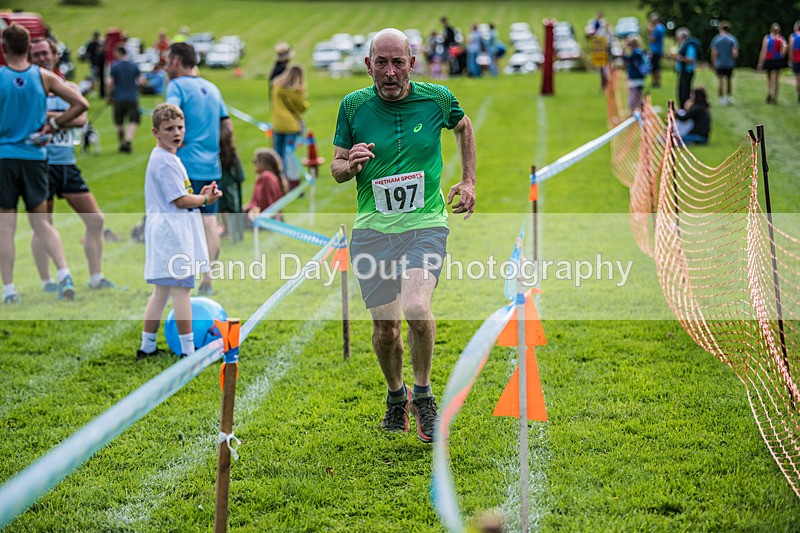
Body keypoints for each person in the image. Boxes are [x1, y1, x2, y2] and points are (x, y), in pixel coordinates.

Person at [331, 28, 476, 443]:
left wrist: (468, 181)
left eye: (398, 63)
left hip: (425, 226)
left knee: (415, 307)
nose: (390, 72)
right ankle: (397, 397)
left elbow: (464, 127)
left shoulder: (437, 99)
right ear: (368, 65)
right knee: (386, 330)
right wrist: (350, 164)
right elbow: (336, 168)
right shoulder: (353, 106)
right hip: (373, 232)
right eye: (382, 62)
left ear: (412, 63)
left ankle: (425, 395)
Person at [0, 24, 88, 304]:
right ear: (27, 49)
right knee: (42, 223)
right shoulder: (44, 77)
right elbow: (80, 104)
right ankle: (64, 274)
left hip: (5, 158)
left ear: (4, 48)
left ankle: (10, 290)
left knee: (6, 227)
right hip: (35, 158)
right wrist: (53, 123)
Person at [29, 38, 115, 292]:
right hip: (40, 164)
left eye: (45, 53)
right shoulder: (31, 88)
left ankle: (96, 277)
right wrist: (65, 115)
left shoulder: (69, 86)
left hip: (66, 164)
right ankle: (47, 281)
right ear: (30, 59)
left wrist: (50, 119)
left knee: (96, 220)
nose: (42, 58)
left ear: (55, 55)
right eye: (36, 55)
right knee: (43, 225)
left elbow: (81, 119)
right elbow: (32, 118)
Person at [138, 103, 222, 360]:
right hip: (171, 235)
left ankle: (147, 347)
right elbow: (180, 200)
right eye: (169, 128)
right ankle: (188, 351)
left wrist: (200, 195)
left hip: (168, 233)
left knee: (162, 291)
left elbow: (182, 195)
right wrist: (205, 200)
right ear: (155, 132)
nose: (176, 133)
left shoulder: (168, 158)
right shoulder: (165, 161)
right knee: (181, 290)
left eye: (180, 127)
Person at [165, 42, 233, 296]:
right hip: (211, 165)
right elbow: (227, 126)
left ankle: (182, 276)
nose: (165, 65)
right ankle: (208, 280)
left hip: (186, 164)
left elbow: (170, 114)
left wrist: (175, 141)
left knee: (182, 223)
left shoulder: (176, 86)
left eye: (167, 60)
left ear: (176, 61)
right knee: (208, 222)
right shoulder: (212, 88)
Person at [271, 64, 308, 191]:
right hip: (291, 125)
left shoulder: (276, 86)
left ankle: (276, 181)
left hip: (277, 124)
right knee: (289, 156)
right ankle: (290, 183)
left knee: (277, 154)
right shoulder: (297, 91)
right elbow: (302, 107)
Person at [106, 45, 142, 153]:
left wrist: (108, 97)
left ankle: (121, 143)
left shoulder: (115, 66)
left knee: (119, 121)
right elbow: (141, 81)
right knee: (133, 120)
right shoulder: (134, 66)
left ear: (118, 53)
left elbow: (109, 83)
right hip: (132, 97)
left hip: (119, 97)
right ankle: (128, 140)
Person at [244, 148, 287, 222]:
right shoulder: (269, 176)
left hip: (263, 218)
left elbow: (270, 202)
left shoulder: (266, 177)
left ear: (263, 163)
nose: (254, 164)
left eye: (255, 161)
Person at [218, 130, 246, 242]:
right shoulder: (232, 153)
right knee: (233, 210)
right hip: (231, 188)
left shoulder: (215, 154)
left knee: (223, 209)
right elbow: (240, 175)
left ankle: (227, 230)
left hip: (220, 186)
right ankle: (236, 233)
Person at [710, 21, 739, 106]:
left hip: (719, 63)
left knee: (720, 81)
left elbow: (714, 53)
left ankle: (721, 99)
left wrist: (713, 63)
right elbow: (735, 54)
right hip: (729, 63)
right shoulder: (732, 39)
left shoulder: (717, 39)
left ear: (720, 28)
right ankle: (729, 97)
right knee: (729, 81)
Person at [758, 23, 788, 104]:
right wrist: (782, 54)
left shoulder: (767, 38)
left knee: (769, 79)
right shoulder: (781, 39)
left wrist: (760, 62)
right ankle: (775, 96)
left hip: (769, 59)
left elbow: (764, 50)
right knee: (776, 79)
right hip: (777, 59)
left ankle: (769, 93)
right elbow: (785, 48)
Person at [672, 27, 701, 109]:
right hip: (683, 72)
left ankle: (685, 110)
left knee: (684, 93)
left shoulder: (689, 45)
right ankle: (683, 109)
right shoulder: (685, 45)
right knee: (681, 92)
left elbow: (691, 59)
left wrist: (678, 58)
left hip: (687, 72)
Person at [623, 35, 647, 113]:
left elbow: (626, 59)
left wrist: (624, 49)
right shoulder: (638, 52)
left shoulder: (637, 53)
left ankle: (632, 111)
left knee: (634, 95)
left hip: (636, 78)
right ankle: (638, 111)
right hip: (636, 77)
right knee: (636, 95)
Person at [647, 13, 665, 88]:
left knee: (655, 67)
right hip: (658, 50)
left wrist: (649, 32)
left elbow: (653, 39)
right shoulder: (661, 27)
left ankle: (656, 82)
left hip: (656, 50)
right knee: (656, 67)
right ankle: (655, 82)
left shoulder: (658, 29)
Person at [791, 20, 800, 103]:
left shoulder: (793, 37)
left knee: (797, 78)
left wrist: (790, 60)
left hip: (796, 59)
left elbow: (791, 49)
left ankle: (798, 94)